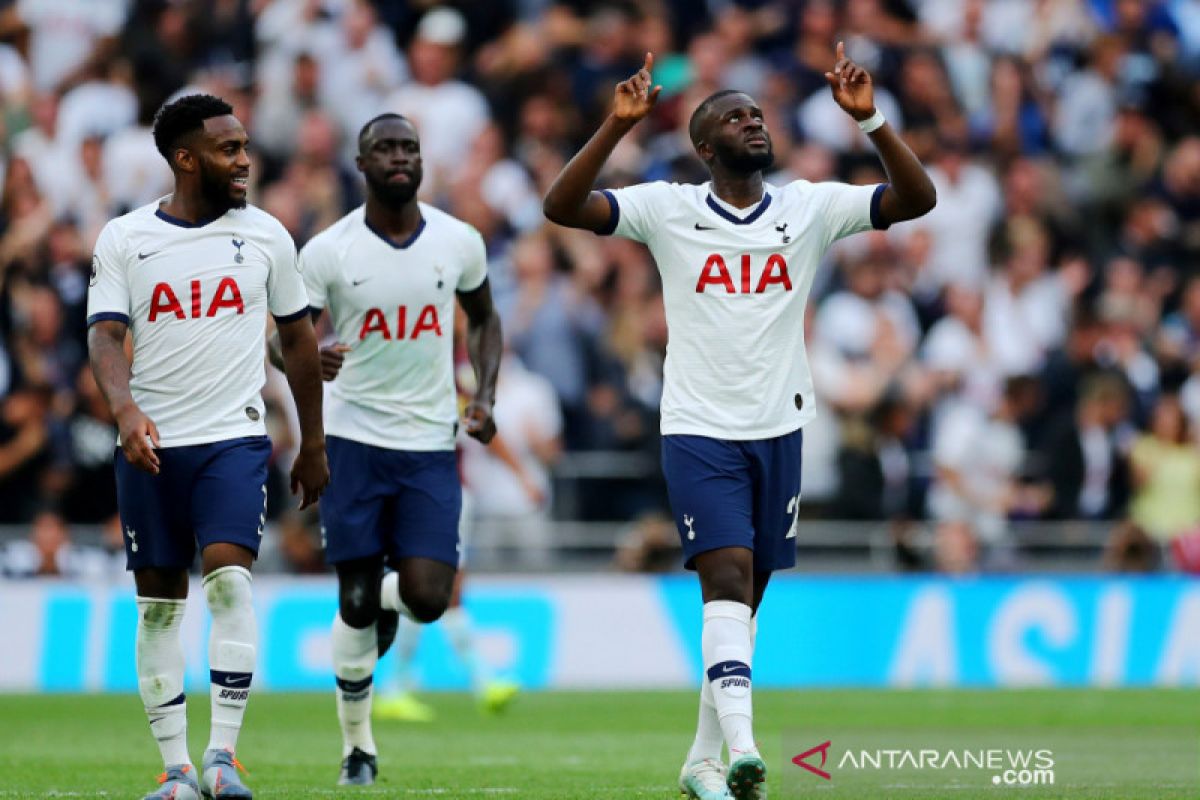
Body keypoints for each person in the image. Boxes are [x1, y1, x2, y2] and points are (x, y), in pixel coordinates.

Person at [542, 45, 936, 800]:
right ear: (703, 146)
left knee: (742, 606)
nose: (753, 123)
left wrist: (873, 120)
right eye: (734, 117)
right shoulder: (668, 208)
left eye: (757, 114)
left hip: (780, 427)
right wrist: (615, 126)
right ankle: (748, 749)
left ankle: (700, 761)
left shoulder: (809, 207)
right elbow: (562, 206)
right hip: (698, 426)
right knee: (724, 580)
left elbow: (915, 200)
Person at [86, 94, 329, 800]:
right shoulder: (126, 238)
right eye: (229, 149)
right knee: (159, 606)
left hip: (234, 440)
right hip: (152, 445)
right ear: (186, 159)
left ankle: (223, 757)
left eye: (245, 145)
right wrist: (125, 410)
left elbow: (298, 341)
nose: (245, 160)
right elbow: (104, 333)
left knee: (228, 578)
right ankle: (176, 770)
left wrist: (312, 443)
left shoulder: (267, 237)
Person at [274, 112, 502, 786]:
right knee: (353, 600)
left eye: (410, 147)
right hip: (352, 442)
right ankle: (358, 749)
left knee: (429, 597)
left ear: (422, 161)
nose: (400, 158)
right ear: (361, 162)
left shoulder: (458, 241)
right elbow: (283, 340)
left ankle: (373, 598)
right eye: (385, 148)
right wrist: (314, 356)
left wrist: (484, 394)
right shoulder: (328, 252)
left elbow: (486, 318)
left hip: (431, 441)